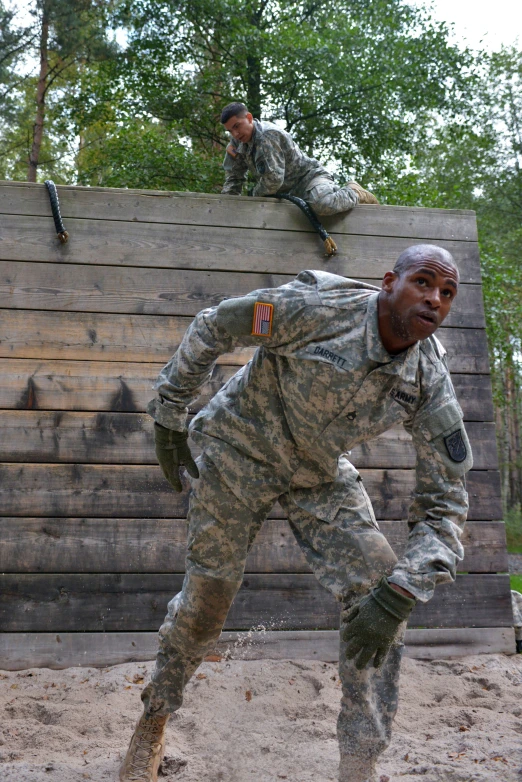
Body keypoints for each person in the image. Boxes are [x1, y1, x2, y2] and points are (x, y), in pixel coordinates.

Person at [119, 244, 473, 782]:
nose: (434, 299)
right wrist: (169, 408)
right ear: (388, 282)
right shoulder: (317, 310)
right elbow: (218, 323)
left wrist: (406, 587)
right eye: (423, 282)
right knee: (208, 600)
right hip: (239, 448)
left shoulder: (428, 380)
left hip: (317, 472)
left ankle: (359, 765)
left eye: (446, 293)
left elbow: (446, 501)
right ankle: (156, 716)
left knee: (381, 591)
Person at [220, 101, 379, 214]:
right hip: (287, 192)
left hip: (309, 179)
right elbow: (234, 177)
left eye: (237, 126)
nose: (235, 133)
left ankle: (354, 192)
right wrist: (228, 208)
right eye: (230, 131)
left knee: (321, 204)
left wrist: (253, 197)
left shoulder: (267, 136)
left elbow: (273, 180)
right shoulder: (237, 141)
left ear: (249, 118)